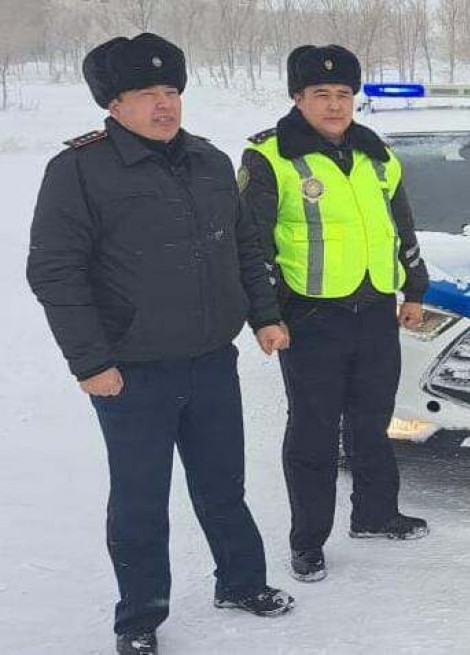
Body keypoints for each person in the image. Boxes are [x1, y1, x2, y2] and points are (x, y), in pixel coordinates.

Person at [26, 33, 294, 655]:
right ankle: (140, 615)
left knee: (223, 484)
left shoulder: (207, 161)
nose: (164, 104)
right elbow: (55, 272)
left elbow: (245, 248)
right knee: (141, 498)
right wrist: (91, 362)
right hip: (131, 371)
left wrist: (264, 315)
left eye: (171, 90)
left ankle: (241, 581)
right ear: (113, 105)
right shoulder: (80, 170)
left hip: (209, 361)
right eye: (146, 93)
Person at [239, 44, 430, 583]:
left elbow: (402, 229)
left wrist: (414, 288)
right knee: (314, 432)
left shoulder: (377, 155)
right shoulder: (269, 156)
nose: (333, 104)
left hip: (374, 310)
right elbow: (251, 246)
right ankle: (308, 541)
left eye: (343, 94)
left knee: (374, 421)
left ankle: (375, 513)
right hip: (310, 318)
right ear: (298, 98)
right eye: (320, 94)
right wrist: (265, 315)